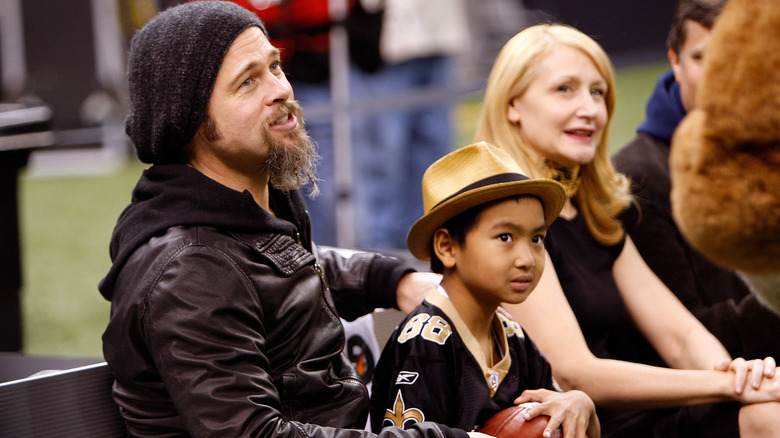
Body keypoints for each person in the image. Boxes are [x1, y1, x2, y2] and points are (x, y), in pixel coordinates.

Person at [98, 2, 471, 437]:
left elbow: (287, 268)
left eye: (275, 66)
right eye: (248, 82)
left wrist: (393, 281)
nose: (279, 90)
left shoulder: (249, 212)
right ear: (189, 119)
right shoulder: (191, 270)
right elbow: (255, 434)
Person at [474, 23, 780, 437]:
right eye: (565, 89)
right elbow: (575, 371)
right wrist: (726, 385)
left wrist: (737, 375)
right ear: (512, 105)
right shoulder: (500, 214)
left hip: (642, 415)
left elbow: (680, 335)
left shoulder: (590, 210)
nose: (590, 108)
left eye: (597, 92)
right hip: (580, 423)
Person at [370, 142, 600, 438]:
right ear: (447, 246)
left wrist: (582, 404)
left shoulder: (511, 333)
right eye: (505, 236)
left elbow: (560, 418)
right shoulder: (425, 343)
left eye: (537, 239)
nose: (526, 259)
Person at [611, 0, 780, 361]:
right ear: (675, 61)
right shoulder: (635, 176)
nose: (725, 74)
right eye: (706, 58)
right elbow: (686, 334)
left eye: (735, 56)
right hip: (724, 390)